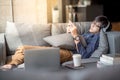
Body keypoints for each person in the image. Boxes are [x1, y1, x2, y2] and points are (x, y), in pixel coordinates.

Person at [0, 15, 112, 70]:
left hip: (69, 54)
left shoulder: (96, 38)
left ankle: (11, 65)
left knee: (24, 49)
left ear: (101, 28)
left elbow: (84, 55)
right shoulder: (88, 33)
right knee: (22, 47)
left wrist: (75, 36)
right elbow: (74, 41)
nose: (92, 25)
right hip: (62, 48)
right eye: (93, 22)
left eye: (95, 25)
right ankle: (12, 65)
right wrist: (70, 33)